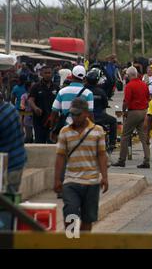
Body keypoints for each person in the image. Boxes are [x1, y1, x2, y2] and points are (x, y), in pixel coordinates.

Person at [53, 98, 108, 232]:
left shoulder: (98, 131)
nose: (75, 117)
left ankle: (83, 243)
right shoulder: (65, 131)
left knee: (87, 218)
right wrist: (57, 179)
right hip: (71, 180)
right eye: (72, 114)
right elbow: (60, 156)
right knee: (70, 212)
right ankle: (72, 240)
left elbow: (101, 155)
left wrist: (104, 177)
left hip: (92, 181)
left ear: (86, 113)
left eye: (78, 114)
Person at [112, 66, 151, 168]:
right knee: (143, 137)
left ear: (129, 75)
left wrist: (124, 111)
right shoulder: (144, 85)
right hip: (144, 111)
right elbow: (148, 98)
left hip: (133, 112)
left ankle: (121, 160)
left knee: (125, 135)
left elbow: (126, 101)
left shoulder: (129, 86)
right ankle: (147, 160)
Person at [51, 65, 94, 141]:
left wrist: (53, 130)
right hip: (82, 131)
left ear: (71, 76)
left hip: (65, 130)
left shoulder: (62, 92)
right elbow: (90, 114)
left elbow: (54, 112)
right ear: (84, 78)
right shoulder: (88, 93)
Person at [0, 91, 27, 193]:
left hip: (9, 166)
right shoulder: (10, 109)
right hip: (18, 159)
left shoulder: (2, 116)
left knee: (7, 201)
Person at [85, 69, 117, 154]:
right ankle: (112, 143)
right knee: (114, 121)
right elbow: (105, 104)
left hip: (86, 118)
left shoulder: (83, 90)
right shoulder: (101, 91)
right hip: (100, 117)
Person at [28, 66, 59, 144]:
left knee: (52, 143)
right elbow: (30, 100)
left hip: (52, 121)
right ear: (41, 74)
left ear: (52, 74)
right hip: (39, 121)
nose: (48, 75)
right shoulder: (36, 87)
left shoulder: (56, 87)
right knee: (39, 143)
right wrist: (35, 108)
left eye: (49, 73)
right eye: (45, 73)